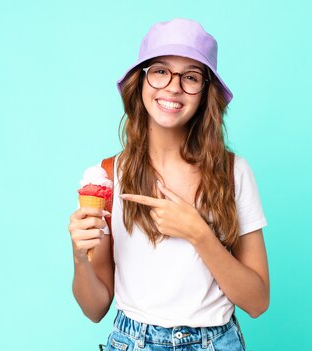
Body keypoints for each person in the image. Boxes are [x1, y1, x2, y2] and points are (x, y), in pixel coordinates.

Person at [68, 18, 269, 350]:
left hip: (214, 342)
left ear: (206, 93)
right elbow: (94, 308)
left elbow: (257, 302)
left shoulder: (234, 173)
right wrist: (79, 258)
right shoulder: (106, 176)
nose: (173, 87)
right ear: (141, 81)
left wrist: (198, 232)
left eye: (190, 77)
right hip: (132, 341)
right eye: (160, 71)